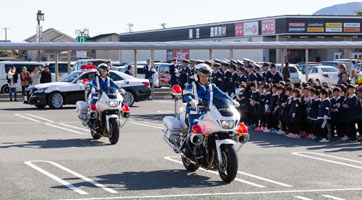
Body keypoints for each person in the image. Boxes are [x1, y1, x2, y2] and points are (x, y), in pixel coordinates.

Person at [183, 64, 239, 133]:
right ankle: (190, 142)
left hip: (209, 114)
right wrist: (191, 101)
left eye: (206, 76)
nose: (205, 78)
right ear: (197, 76)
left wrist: (231, 100)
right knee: (195, 127)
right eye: (202, 76)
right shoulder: (191, 86)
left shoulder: (211, 86)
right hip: (195, 114)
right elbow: (187, 95)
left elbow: (221, 94)